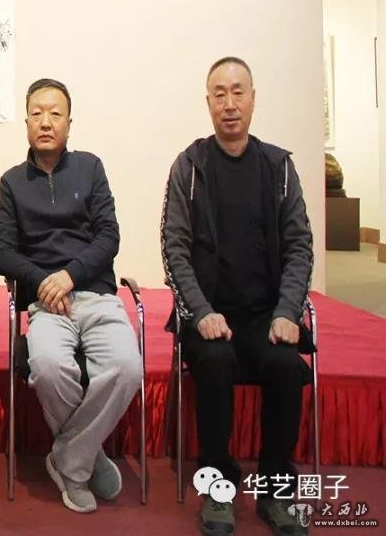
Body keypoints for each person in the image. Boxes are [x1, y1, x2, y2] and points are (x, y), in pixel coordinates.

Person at [162, 57, 314, 536]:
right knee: (215, 359)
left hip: (266, 314)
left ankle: (276, 487)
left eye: (238, 92)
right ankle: (219, 485)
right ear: (208, 102)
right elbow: (173, 248)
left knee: (286, 365)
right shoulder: (190, 166)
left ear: (252, 98)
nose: (229, 104)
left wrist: (288, 312)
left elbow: (299, 245)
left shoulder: (279, 168)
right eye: (219, 94)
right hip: (208, 314)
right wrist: (201, 312)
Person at [0, 77, 140, 514]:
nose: (45, 122)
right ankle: (89, 459)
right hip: (45, 304)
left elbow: (109, 236)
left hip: (95, 296)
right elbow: (2, 253)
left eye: (55, 114)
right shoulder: (11, 182)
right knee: (48, 368)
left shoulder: (90, 168)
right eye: (37, 113)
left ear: (69, 123)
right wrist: (44, 282)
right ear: (26, 122)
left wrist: (70, 276)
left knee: (127, 368)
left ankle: (69, 460)